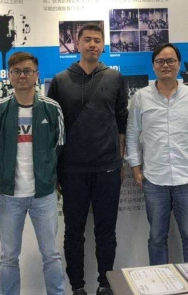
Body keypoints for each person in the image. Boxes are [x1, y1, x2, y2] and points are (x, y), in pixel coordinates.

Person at [47, 23, 128, 295]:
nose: (92, 44)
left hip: (107, 167)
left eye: (97, 40)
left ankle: (105, 284)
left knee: (106, 231)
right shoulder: (60, 80)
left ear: (103, 46)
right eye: (87, 40)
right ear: (78, 44)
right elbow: (54, 129)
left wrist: (119, 161)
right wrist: (56, 169)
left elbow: (121, 123)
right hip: (72, 170)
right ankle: (77, 287)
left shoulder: (115, 78)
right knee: (73, 233)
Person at [0, 52, 66, 295]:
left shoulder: (52, 108)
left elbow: (60, 146)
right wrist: (6, 168)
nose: (22, 76)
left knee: (51, 254)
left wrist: (47, 173)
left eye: (27, 71)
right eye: (17, 71)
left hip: (44, 195)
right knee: (8, 257)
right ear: (9, 76)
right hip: (10, 196)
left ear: (36, 75)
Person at [126, 43, 188, 265]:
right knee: (156, 238)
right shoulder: (141, 97)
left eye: (171, 61)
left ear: (179, 64)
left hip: (187, 178)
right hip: (154, 180)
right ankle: (160, 280)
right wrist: (135, 167)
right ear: (153, 65)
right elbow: (132, 134)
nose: (166, 65)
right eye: (160, 61)